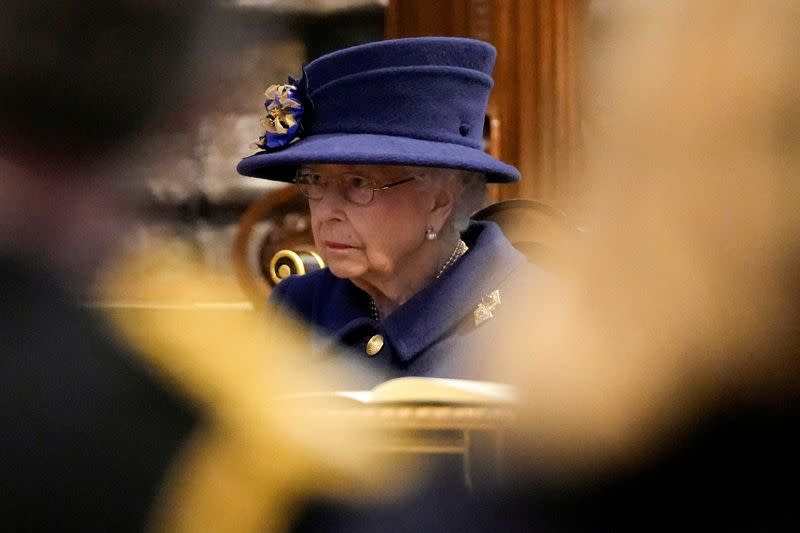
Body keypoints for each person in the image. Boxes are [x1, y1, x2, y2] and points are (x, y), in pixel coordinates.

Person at [237, 37, 542, 384]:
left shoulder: (537, 318)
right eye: (315, 180)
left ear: (440, 202)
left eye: (358, 183)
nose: (327, 213)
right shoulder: (297, 306)